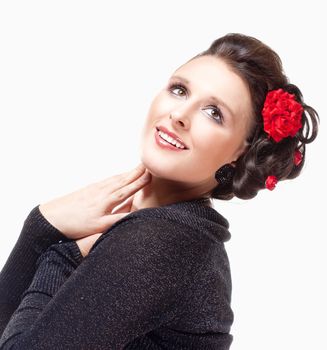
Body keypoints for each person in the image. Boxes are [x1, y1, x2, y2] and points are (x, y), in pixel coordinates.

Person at [0, 33, 319, 349]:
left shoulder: (168, 240)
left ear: (240, 153)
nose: (179, 115)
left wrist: (60, 247)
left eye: (214, 113)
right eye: (179, 90)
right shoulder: (163, 227)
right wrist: (39, 228)